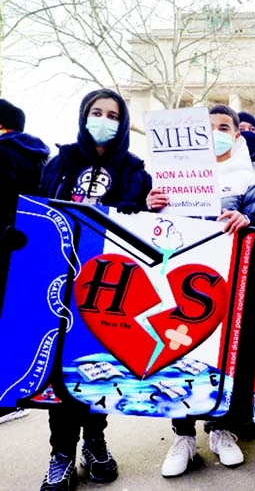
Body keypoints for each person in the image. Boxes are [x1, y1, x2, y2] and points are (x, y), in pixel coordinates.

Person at [37, 88, 153, 491]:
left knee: (96, 365)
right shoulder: (60, 162)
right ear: (84, 116)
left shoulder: (136, 170)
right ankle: (62, 454)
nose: (104, 120)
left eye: (113, 115)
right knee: (60, 370)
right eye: (96, 112)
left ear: (122, 125)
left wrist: (148, 206)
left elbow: (140, 229)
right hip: (59, 280)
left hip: (108, 286)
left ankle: (96, 442)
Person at [147, 104, 255, 477]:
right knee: (181, 352)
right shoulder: (172, 177)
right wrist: (151, 207)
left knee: (226, 356)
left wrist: (248, 220)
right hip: (181, 283)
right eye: (209, 126)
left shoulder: (247, 180)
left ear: (236, 134)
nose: (216, 131)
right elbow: (153, 232)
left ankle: (221, 430)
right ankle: (182, 436)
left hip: (232, 283)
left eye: (224, 126)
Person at [0, 98, 49, 426]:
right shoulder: (43, 157)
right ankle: (20, 389)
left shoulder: (2, 153)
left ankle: (6, 397)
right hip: (34, 250)